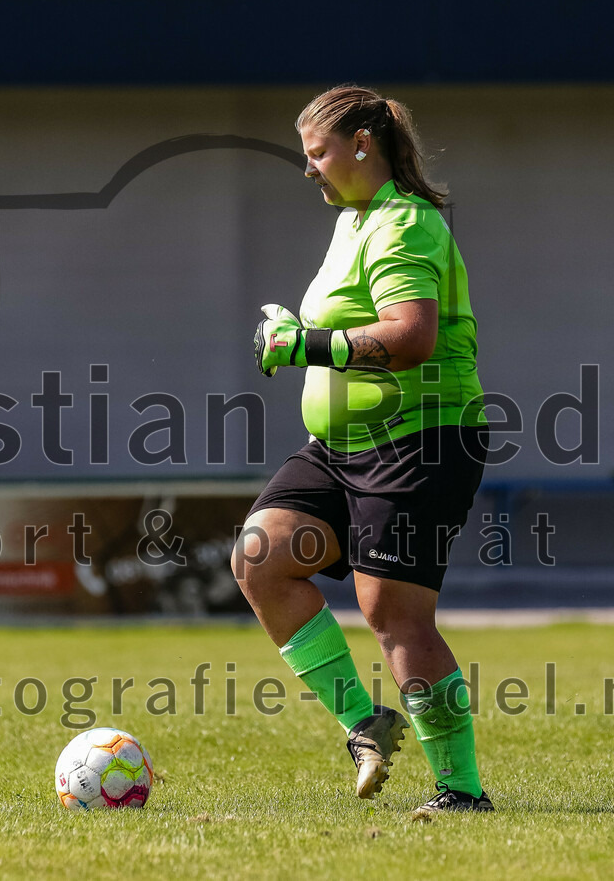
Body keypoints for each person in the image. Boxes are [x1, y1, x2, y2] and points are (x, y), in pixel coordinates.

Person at [231, 85, 492, 817]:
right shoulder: (354, 220)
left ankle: (462, 791)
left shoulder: (405, 221)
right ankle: (365, 722)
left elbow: (411, 336)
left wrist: (306, 344)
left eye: (318, 153)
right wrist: (294, 330)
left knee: (394, 615)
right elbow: (350, 323)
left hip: (419, 438)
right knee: (260, 557)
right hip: (339, 446)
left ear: (362, 144)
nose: (308, 168)